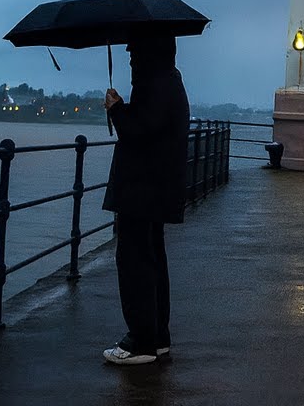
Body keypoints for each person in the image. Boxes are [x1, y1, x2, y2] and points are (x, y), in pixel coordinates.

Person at [100, 35, 190, 365]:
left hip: (141, 188)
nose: (130, 58)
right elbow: (152, 125)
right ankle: (157, 335)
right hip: (156, 187)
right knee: (152, 259)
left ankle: (140, 341)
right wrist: (123, 108)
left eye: (134, 53)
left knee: (135, 261)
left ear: (147, 54)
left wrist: (117, 109)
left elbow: (140, 131)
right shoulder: (170, 81)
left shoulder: (154, 83)